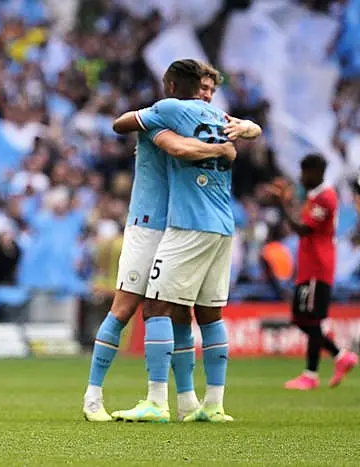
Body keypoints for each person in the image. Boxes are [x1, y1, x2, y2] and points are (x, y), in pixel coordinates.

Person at [83, 60, 252, 422]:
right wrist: (222, 148)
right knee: (126, 309)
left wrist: (238, 134)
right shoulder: (164, 118)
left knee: (178, 312)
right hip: (148, 225)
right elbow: (157, 139)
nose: (206, 95)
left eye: (211, 90)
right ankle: (93, 397)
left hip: (180, 226)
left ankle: (187, 400)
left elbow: (238, 132)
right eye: (202, 88)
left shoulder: (208, 118)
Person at [267, 155, 358, 390]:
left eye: (305, 172)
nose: (301, 177)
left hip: (318, 267)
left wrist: (281, 205)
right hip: (309, 267)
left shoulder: (326, 197)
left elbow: (303, 228)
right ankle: (339, 356)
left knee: (310, 319)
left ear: (317, 172)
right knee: (302, 318)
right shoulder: (315, 196)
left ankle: (311, 374)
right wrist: (288, 201)